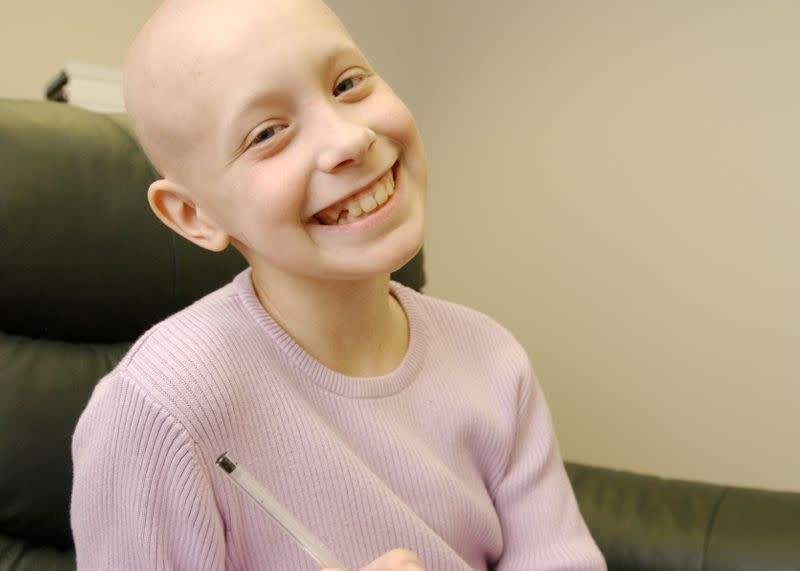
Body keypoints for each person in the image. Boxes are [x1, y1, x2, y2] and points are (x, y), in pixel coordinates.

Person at [70, 0, 606, 569]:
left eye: (348, 83)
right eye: (268, 133)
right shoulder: (158, 410)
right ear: (193, 215)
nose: (349, 139)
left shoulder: (493, 360)